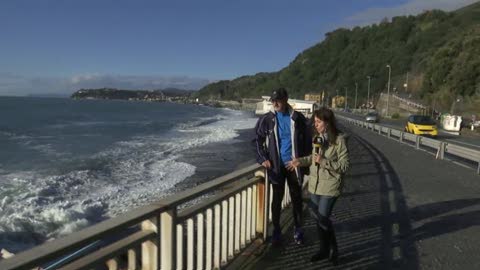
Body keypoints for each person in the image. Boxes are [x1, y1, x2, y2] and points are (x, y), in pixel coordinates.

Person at [287, 107, 349, 264]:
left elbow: (344, 166)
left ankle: (334, 250)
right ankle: (323, 249)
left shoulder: (339, 140)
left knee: (323, 217)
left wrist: (324, 162)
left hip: (330, 185)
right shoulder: (317, 138)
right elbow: (313, 158)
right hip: (315, 184)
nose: (315, 125)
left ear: (327, 123)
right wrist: (299, 161)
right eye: (314, 122)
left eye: (318, 122)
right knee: (317, 217)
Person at [254, 88, 311, 245]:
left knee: (296, 198)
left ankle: (298, 229)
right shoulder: (267, 119)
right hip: (276, 167)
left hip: (294, 166)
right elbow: (257, 140)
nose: (275, 103)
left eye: (278, 100)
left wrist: (303, 163)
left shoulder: (297, 118)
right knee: (277, 200)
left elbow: (307, 142)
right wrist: (263, 158)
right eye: (273, 100)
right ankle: (277, 230)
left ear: (286, 99)